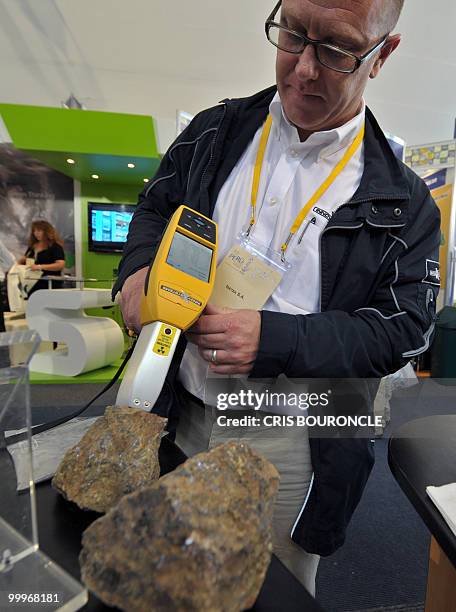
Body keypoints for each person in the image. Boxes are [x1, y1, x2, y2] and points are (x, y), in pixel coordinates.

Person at [114, 0, 440, 596]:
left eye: (337, 49)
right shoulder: (216, 132)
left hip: (293, 442)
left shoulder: (405, 200)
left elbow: (406, 329)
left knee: (270, 589)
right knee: (166, 577)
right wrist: (137, 269)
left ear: (382, 54)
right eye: (292, 34)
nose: (303, 69)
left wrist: (278, 339)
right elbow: (155, 210)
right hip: (175, 409)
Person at [17, 220, 65, 297]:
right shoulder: (32, 247)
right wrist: (20, 262)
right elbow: (25, 260)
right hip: (31, 284)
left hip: (49, 285)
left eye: (39, 231)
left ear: (46, 231)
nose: (36, 233)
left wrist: (40, 267)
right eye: (34, 231)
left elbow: (60, 265)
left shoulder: (55, 247)